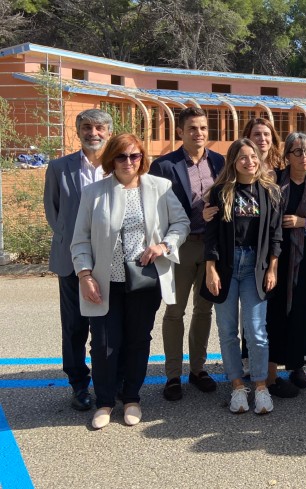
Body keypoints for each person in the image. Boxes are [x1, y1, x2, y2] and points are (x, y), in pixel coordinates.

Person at [70, 133, 190, 429]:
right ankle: (105, 402)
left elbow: (181, 223)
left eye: (134, 156)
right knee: (103, 344)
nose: (128, 162)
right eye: (121, 157)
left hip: (143, 280)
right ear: (111, 159)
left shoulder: (159, 187)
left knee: (138, 340)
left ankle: (132, 398)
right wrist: (85, 275)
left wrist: (164, 246)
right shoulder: (94, 192)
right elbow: (80, 240)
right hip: (103, 281)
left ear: (142, 158)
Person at [201, 139, 282, 414]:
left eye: (253, 156)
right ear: (233, 162)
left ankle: (261, 387)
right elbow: (210, 236)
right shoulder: (221, 192)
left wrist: (273, 267)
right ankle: (237, 386)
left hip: (254, 267)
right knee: (227, 331)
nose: (249, 162)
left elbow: (275, 235)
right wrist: (210, 269)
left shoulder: (269, 192)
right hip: (226, 266)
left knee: (257, 331)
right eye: (242, 158)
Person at [150, 107, 225, 401]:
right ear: (180, 132)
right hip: (179, 247)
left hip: (210, 247)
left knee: (204, 310)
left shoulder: (219, 162)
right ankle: (172, 375)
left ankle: (197, 369)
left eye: (204, 128)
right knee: (174, 312)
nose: (199, 133)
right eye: (193, 128)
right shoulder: (164, 165)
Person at [43, 108, 113, 411]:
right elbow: (54, 213)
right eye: (87, 127)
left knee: (107, 326)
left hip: (112, 260)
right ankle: (79, 385)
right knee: (74, 325)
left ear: (109, 133)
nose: (93, 133)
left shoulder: (119, 165)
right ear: (78, 131)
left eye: (99, 128)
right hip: (71, 261)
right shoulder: (59, 168)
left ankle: (109, 382)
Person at [264, 133, 306, 399]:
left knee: (303, 310)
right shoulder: (274, 180)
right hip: (277, 255)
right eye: (298, 152)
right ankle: (270, 374)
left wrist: (302, 222)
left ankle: (296, 366)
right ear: (287, 155)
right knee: (275, 312)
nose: (304, 157)